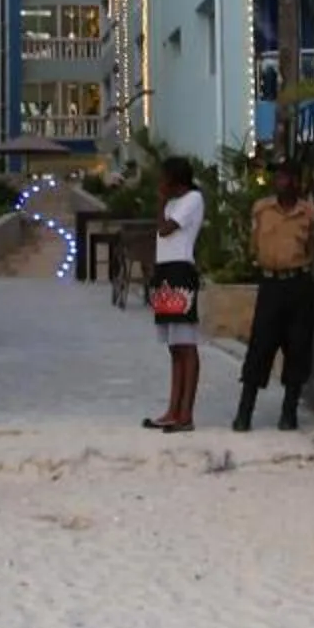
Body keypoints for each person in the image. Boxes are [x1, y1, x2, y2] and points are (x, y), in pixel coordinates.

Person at [233, 161, 314, 432]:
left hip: (298, 283)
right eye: (279, 177)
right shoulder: (261, 209)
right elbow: (253, 244)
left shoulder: (309, 213)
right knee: (260, 347)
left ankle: (289, 412)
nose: (283, 182)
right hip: (270, 284)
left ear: (298, 182)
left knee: (298, 347)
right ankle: (244, 413)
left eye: (288, 178)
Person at [144, 160, 207, 432]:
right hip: (166, 271)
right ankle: (173, 409)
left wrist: (159, 202)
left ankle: (186, 414)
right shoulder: (171, 203)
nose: (160, 184)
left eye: (163, 179)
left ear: (174, 180)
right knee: (173, 346)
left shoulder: (193, 199)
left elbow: (165, 229)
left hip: (182, 271)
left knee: (186, 345)